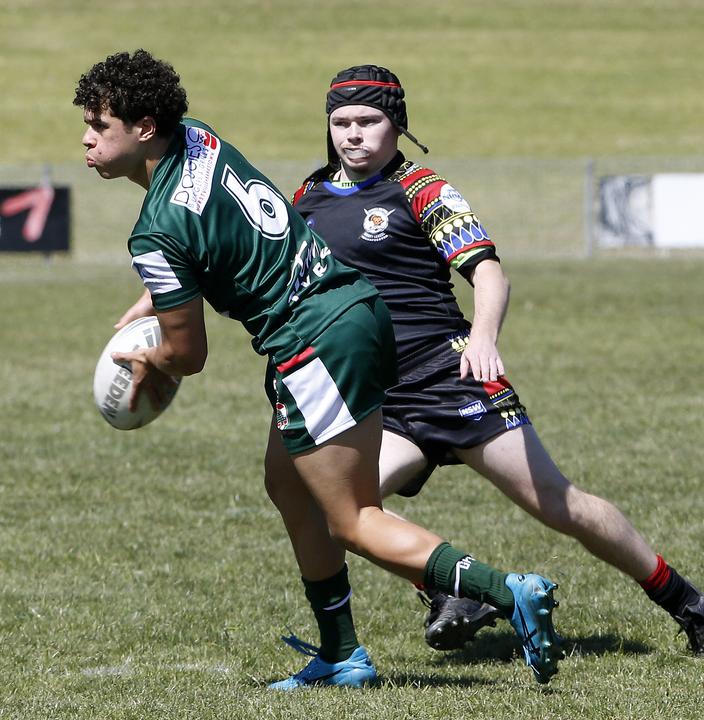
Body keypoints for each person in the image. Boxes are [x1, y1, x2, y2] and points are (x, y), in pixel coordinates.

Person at [77, 49, 563, 689]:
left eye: (99, 124)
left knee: (353, 519)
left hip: (312, 342)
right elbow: (218, 233)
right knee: (288, 482)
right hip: (350, 307)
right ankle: (342, 654)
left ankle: (506, 591)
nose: (86, 138)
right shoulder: (200, 138)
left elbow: (188, 355)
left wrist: (149, 357)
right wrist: (162, 292)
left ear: (143, 129)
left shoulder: (156, 229)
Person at [289, 64, 704, 655]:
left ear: (398, 124)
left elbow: (488, 272)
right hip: (385, 395)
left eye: (369, 120)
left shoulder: (422, 188)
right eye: (341, 122)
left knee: (559, 504)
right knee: (347, 513)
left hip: (453, 377)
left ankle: (686, 602)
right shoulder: (308, 196)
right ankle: (455, 591)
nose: (353, 134)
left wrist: (483, 337)